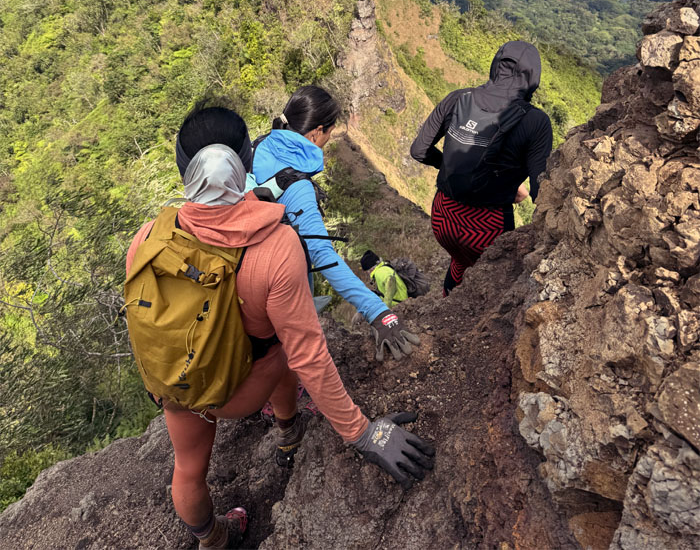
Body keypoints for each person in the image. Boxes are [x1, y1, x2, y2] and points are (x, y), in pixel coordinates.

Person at [126, 101, 435, 549]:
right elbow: (310, 355)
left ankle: (213, 539)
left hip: (175, 384)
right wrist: (364, 433)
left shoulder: (147, 236)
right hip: (237, 395)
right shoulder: (276, 248)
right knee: (283, 347)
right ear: (247, 162)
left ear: (182, 169)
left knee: (188, 470)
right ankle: (288, 433)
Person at [252, 85, 420, 362]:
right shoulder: (297, 187)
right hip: (276, 289)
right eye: (329, 133)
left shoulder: (259, 146)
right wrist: (378, 312)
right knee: (299, 354)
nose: (329, 139)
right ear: (317, 132)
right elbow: (322, 255)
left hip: (244, 275)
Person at [410, 41, 552, 296]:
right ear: (533, 77)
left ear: (495, 67)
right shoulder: (535, 121)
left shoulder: (458, 98)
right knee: (494, 284)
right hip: (486, 228)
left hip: (443, 218)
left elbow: (419, 150)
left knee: (460, 261)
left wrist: (452, 167)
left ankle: (447, 303)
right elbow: (540, 190)